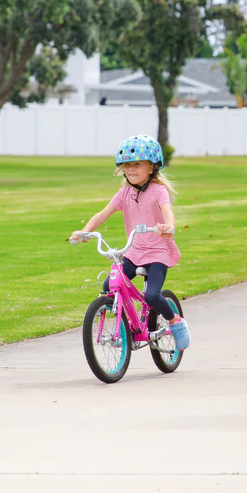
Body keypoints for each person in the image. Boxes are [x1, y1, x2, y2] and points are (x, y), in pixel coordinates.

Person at [70, 135, 191, 351]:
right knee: (109, 286)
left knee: (151, 295)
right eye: (127, 165)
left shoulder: (158, 190)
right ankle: (125, 327)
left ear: (151, 168)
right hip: (135, 252)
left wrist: (168, 227)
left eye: (137, 164)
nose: (131, 169)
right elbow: (102, 215)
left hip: (157, 252)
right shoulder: (124, 192)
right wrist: (85, 231)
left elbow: (168, 212)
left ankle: (175, 321)